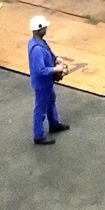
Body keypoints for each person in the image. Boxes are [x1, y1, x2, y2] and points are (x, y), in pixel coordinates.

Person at [28, 15, 70, 145]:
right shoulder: (37, 50)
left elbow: (49, 53)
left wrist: (57, 58)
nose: (46, 29)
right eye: (44, 27)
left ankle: (54, 124)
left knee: (51, 101)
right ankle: (38, 136)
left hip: (46, 83)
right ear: (39, 29)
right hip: (42, 84)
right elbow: (40, 70)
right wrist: (56, 69)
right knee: (40, 109)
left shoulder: (39, 42)